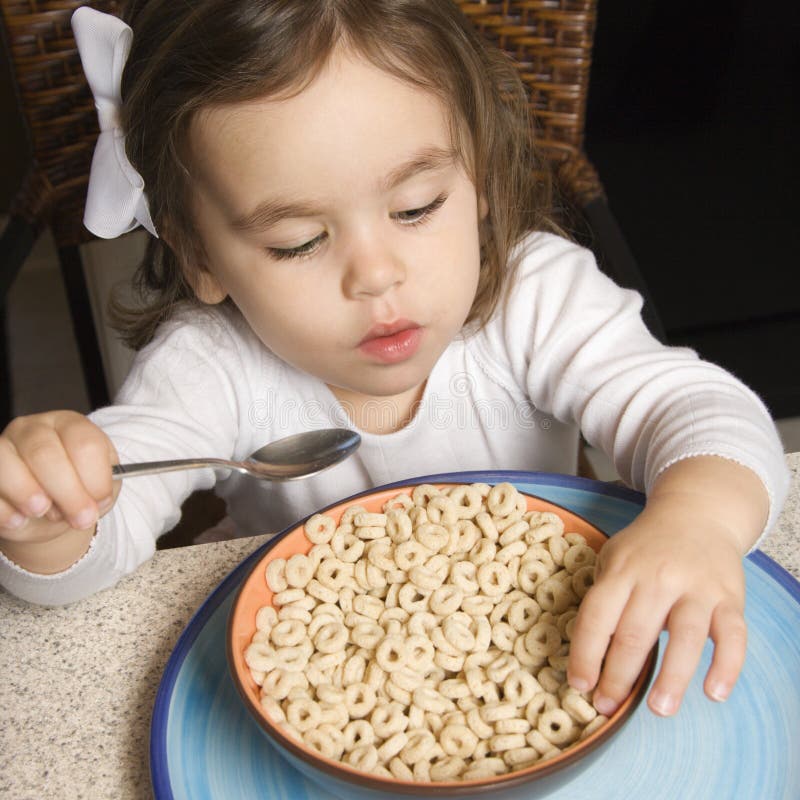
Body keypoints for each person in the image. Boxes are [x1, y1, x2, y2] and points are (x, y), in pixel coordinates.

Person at [0, 0, 788, 723]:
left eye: (416, 207)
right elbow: (88, 561)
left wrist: (696, 518)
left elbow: (694, 410)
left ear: (476, 176)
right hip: (320, 694)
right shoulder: (207, 365)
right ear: (198, 254)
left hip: (552, 656)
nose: (375, 275)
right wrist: (46, 517)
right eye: (297, 242)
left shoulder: (536, 295)